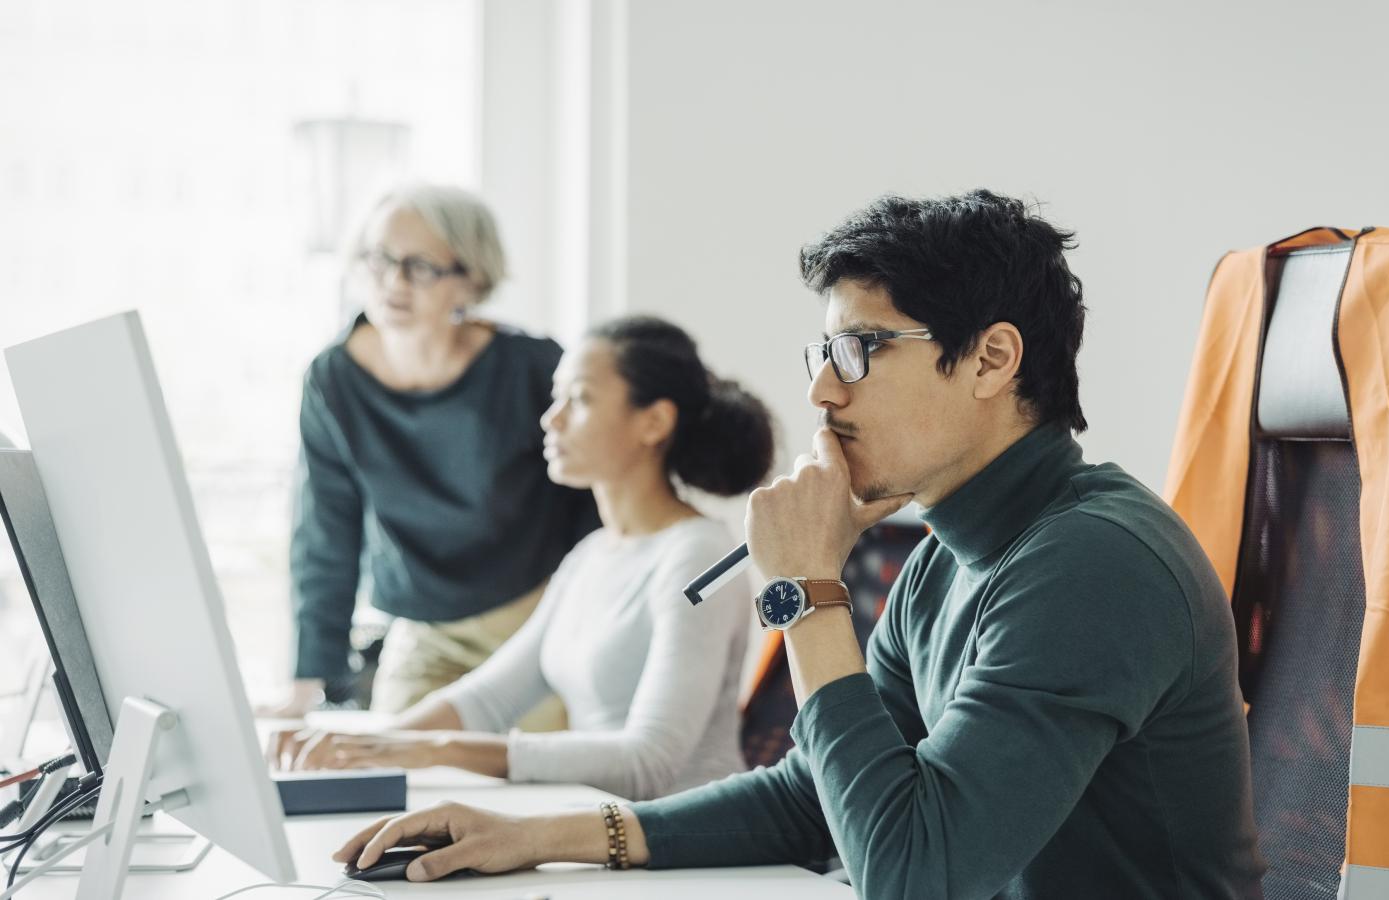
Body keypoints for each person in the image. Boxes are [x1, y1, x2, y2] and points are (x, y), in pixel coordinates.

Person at [332, 190, 1265, 898]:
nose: (823, 394)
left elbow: (912, 873)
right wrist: (541, 836)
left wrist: (810, 591)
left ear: (991, 359)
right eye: (822, 357)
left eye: (859, 351)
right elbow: (806, 797)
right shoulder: (950, 552)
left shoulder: (1093, 563)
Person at [270, 316, 772, 800]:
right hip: (603, 826)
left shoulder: (700, 555)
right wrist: (367, 746)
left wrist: (432, 750)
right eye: (557, 397)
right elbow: (488, 699)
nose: (550, 419)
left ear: (654, 422)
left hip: (691, 843)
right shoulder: (591, 556)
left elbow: (647, 762)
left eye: (579, 399)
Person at [256, 183, 599, 719]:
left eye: (421, 267)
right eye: (380, 259)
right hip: (423, 628)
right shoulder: (334, 379)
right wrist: (308, 679)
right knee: (396, 770)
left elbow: (592, 500)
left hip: (534, 618)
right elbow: (325, 530)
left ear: (472, 279)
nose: (393, 282)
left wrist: (587, 617)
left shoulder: (532, 367)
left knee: (540, 785)